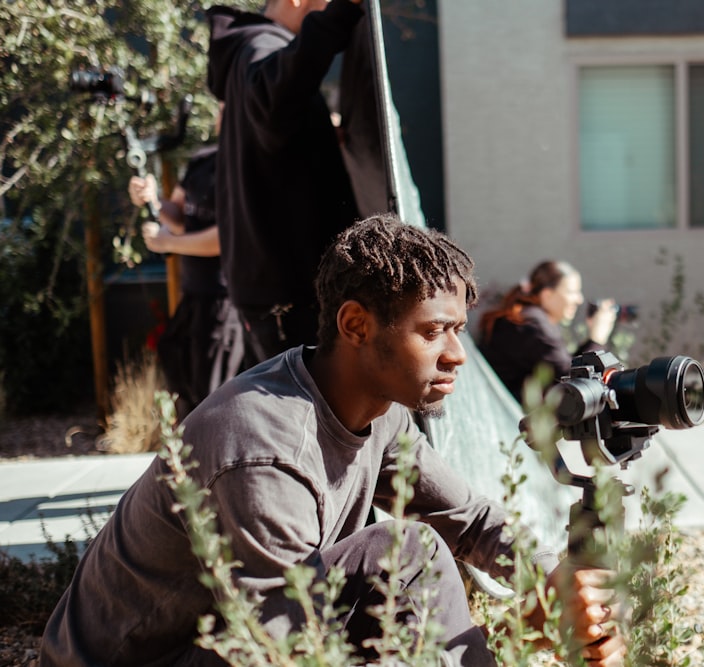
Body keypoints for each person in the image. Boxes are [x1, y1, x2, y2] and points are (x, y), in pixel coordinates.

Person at [40, 214, 625, 667]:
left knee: (395, 559)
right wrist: (520, 627)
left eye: (457, 330)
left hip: (241, 631)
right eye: (432, 331)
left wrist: (551, 580)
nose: (456, 355)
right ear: (355, 325)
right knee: (405, 555)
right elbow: (281, 651)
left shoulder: (378, 409)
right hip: (141, 660)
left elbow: (469, 520)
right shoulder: (266, 448)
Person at [205, 0, 364, 366]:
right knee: (306, 417)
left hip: (279, 292)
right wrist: (342, 14)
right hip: (292, 299)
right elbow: (274, 98)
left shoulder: (250, 50)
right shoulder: (260, 45)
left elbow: (275, 137)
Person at [128, 110, 244, 418]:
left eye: (227, 106)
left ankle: (212, 462)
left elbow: (225, 237)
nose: (223, 112)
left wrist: (168, 243)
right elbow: (180, 217)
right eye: (220, 107)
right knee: (178, 372)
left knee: (212, 398)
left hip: (224, 299)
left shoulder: (244, 165)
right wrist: (152, 200)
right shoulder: (202, 160)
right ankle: (189, 462)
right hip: (193, 294)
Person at [479, 260, 618, 404]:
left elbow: (565, 367)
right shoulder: (532, 325)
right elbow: (571, 380)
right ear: (547, 295)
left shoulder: (531, 318)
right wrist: (597, 338)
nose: (579, 300)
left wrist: (593, 340)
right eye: (572, 292)